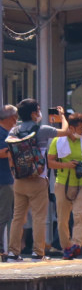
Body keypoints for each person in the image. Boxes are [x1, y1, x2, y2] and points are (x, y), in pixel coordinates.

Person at [6, 100, 58, 261]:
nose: (39, 112)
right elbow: (66, 132)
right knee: (38, 217)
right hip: (38, 178)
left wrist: (15, 172)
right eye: (38, 110)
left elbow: (10, 155)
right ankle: (38, 252)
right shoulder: (42, 129)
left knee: (17, 217)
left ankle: (13, 253)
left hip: (19, 179)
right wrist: (61, 117)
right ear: (33, 113)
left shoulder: (14, 131)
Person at [47, 112, 82, 260]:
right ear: (72, 128)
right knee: (63, 218)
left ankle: (76, 244)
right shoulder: (58, 141)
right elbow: (50, 162)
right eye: (80, 128)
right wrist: (67, 165)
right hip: (63, 182)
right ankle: (66, 246)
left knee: (80, 215)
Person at [0, 105, 17, 259]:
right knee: (4, 215)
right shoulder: (2, 133)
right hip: (3, 180)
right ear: (11, 118)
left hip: (6, 178)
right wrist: (17, 147)